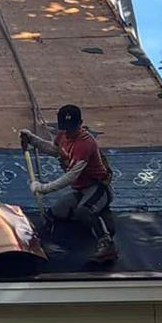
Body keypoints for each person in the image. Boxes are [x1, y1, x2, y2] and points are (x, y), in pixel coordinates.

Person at [21, 104, 118, 266]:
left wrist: (43, 188)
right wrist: (33, 139)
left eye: (72, 128)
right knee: (56, 212)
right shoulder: (63, 134)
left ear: (80, 123)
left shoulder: (86, 144)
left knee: (84, 209)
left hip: (98, 188)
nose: (69, 132)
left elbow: (72, 176)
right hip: (80, 190)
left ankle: (107, 245)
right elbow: (55, 150)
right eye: (65, 128)